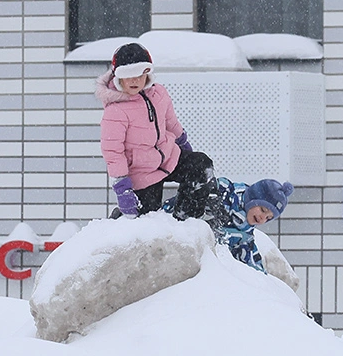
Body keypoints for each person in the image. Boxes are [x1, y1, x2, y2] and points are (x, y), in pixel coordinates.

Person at [95, 42, 219, 218]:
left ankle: (185, 220)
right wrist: (122, 187)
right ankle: (119, 219)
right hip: (141, 173)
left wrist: (183, 143)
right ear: (118, 77)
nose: (134, 80)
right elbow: (113, 152)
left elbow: (171, 122)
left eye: (139, 74)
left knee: (201, 165)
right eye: (128, 75)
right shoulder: (115, 110)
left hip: (168, 157)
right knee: (146, 221)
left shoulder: (159, 93)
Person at [165, 177, 294, 273]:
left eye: (268, 218)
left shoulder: (244, 236)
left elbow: (252, 266)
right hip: (174, 236)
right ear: (253, 198)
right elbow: (187, 200)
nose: (262, 218)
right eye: (263, 210)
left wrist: (262, 280)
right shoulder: (223, 192)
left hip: (203, 272)